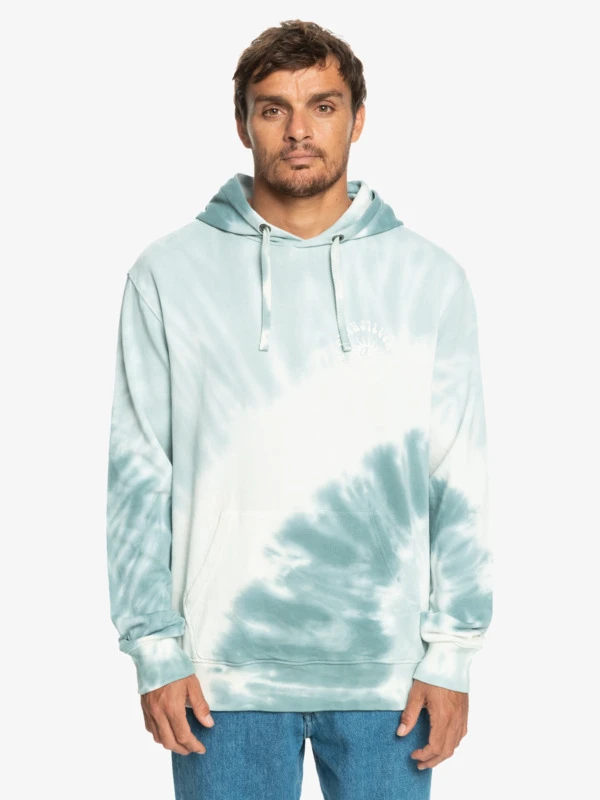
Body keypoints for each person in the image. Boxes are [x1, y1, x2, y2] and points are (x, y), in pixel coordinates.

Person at [106, 18, 493, 800]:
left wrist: (452, 655)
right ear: (242, 123)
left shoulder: (429, 278)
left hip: (390, 677)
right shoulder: (167, 275)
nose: (298, 131)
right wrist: (155, 650)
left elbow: (457, 476)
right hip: (218, 680)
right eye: (273, 108)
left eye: (322, 105)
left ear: (357, 118)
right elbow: (139, 473)